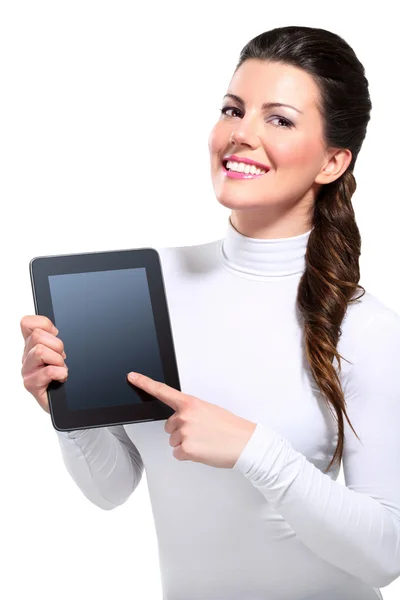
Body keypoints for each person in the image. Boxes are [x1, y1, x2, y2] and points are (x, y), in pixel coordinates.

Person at [20, 25, 400, 600]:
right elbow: (110, 488)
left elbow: (384, 557)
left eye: (279, 119)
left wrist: (256, 450)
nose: (240, 134)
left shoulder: (365, 327)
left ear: (332, 162)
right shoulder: (145, 284)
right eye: (232, 109)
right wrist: (67, 411)